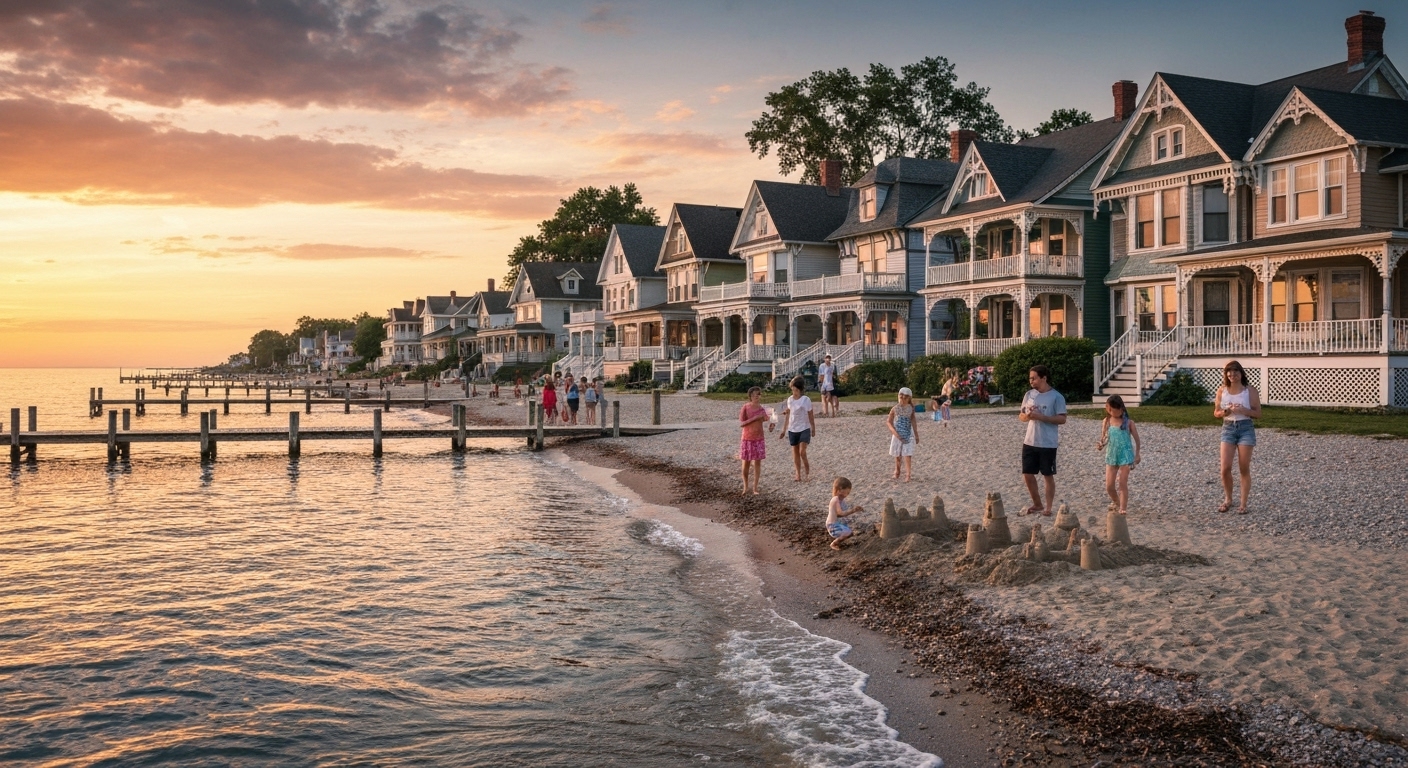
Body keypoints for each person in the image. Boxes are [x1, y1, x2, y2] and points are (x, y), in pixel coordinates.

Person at [1018, 364, 1067, 516]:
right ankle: (1037, 504)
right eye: (1030, 379)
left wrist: (1042, 417)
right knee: (1027, 474)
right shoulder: (1029, 395)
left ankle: (1048, 507)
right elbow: (1021, 416)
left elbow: (1062, 419)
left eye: (1034, 378)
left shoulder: (1057, 397)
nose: (1031, 381)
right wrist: (1027, 416)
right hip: (1030, 440)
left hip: (1048, 442)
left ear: (1043, 378)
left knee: (1047, 475)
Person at [1213, 360, 1260, 514]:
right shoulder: (1222, 390)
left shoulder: (1250, 390)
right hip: (1228, 428)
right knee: (1225, 468)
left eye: (1236, 372)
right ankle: (1228, 499)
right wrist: (1224, 413)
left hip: (1245, 428)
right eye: (1230, 372)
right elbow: (1216, 412)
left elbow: (1258, 413)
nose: (1233, 375)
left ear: (1241, 373)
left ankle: (1243, 503)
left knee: (1243, 468)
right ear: (1226, 374)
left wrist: (1244, 410)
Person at [1096, 394, 1140, 515]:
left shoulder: (1129, 423)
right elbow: (1104, 438)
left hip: (1126, 456)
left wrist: (1137, 454)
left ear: (1121, 409)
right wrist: (1100, 444)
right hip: (1111, 455)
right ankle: (1117, 502)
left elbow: (1137, 439)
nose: (1109, 411)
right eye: (1107, 408)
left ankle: (1123, 508)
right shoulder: (1106, 422)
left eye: (1112, 409)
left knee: (1122, 483)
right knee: (1109, 486)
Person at [776, 375, 816, 482]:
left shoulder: (806, 400)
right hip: (792, 428)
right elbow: (789, 414)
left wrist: (813, 428)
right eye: (793, 390)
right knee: (795, 452)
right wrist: (783, 430)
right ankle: (798, 474)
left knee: (802, 451)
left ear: (801, 389)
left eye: (796, 390)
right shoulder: (790, 400)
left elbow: (810, 414)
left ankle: (807, 470)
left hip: (804, 428)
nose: (794, 392)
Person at [738, 386, 773, 495]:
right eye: (755, 394)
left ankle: (755, 488)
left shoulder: (762, 409)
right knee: (746, 463)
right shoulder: (746, 407)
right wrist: (756, 418)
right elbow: (742, 423)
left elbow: (767, 419)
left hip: (759, 438)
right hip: (747, 438)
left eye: (759, 394)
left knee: (757, 463)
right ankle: (745, 486)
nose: (757, 396)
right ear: (751, 396)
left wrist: (771, 425)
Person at [887, 387, 919, 482]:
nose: (903, 398)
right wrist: (894, 432)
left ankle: (908, 474)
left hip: (908, 433)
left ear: (909, 398)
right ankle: (897, 471)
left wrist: (916, 434)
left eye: (906, 397)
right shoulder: (895, 408)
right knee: (897, 454)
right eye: (902, 396)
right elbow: (888, 422)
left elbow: (913, 420)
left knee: (907, 454)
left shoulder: (911, 408)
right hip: (897, 434)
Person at [826, 477, 864, 550]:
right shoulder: (835, 499)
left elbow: (841, 514)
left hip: (837, 523)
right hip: (832, 525)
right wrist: (853, 510)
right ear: (839, 490)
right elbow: (840, 514)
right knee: (848, 532)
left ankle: (838, 540)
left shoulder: (841, 501)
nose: (846, 495)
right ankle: (833, 544)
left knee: (850, 533)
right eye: (845, 493)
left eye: (848, 493)